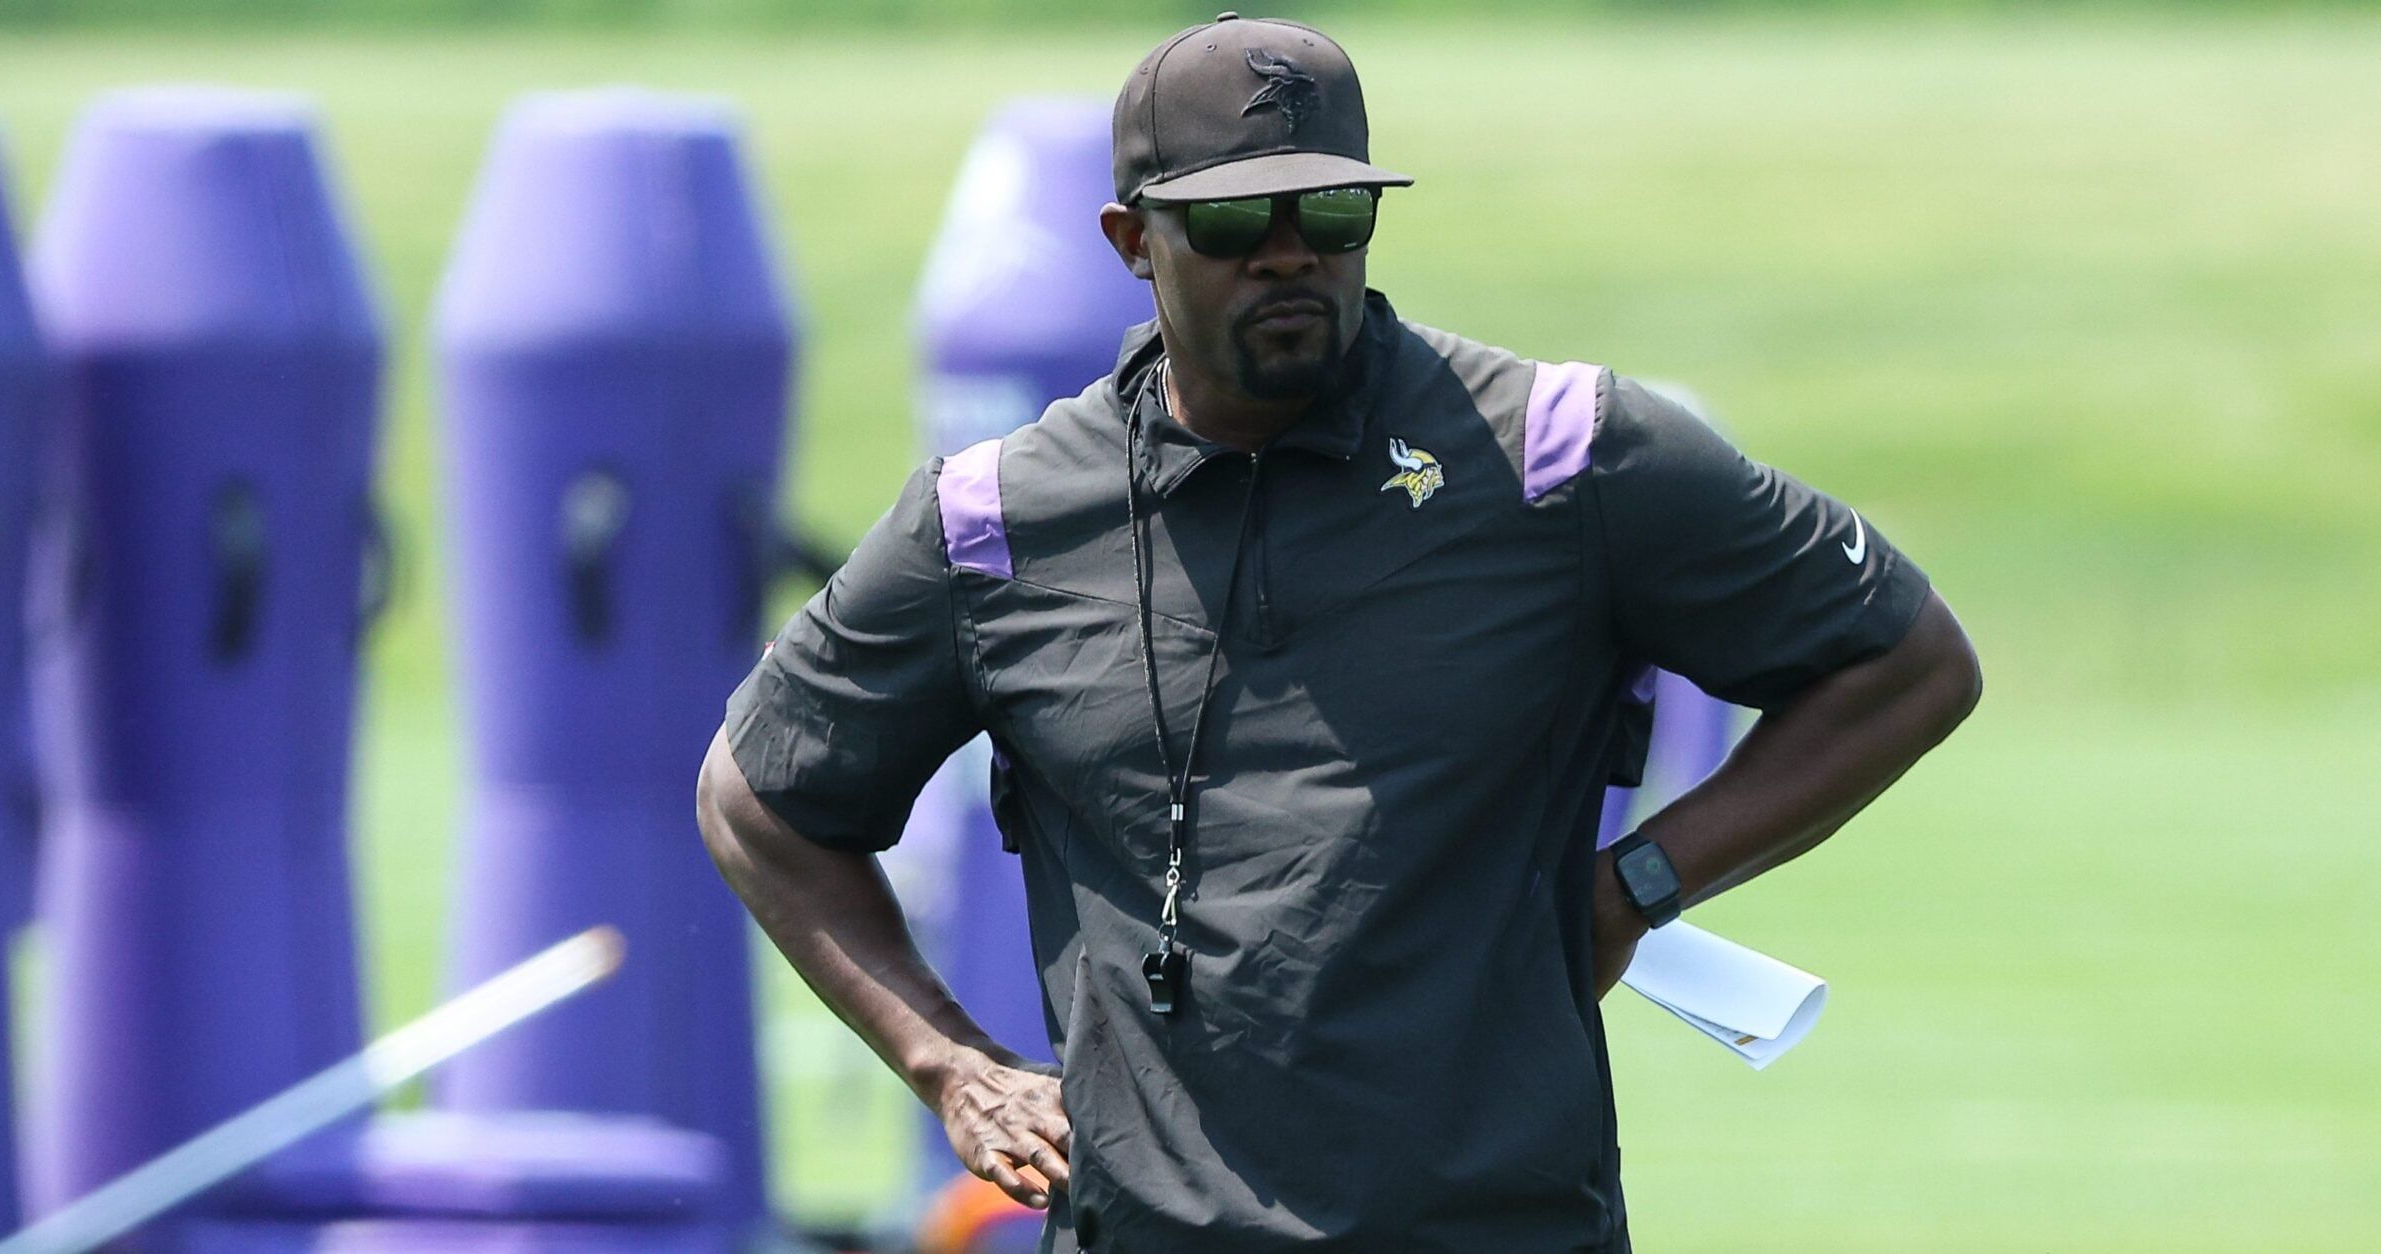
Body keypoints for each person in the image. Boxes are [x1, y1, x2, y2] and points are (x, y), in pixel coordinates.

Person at [697, 12, 1981, 1251]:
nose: (1289, 251)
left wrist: (1636, 885)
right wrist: (949, 1063)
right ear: (1131, 240)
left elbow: (1905, 662)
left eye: (1330, 211)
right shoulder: (995, 522)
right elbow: (759, 800)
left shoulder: (1557, 456)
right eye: (1236, 219)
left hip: (1499, 1225)